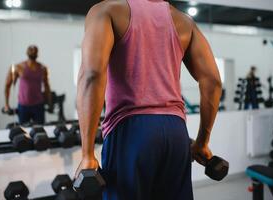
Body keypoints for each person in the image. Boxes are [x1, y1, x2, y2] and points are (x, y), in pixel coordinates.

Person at [75, 0, 222, 199]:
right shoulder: (184, 21)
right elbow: (212, 81)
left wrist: (87, 154)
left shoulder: (106, 11)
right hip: (176, 133)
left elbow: (92, 75)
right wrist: (202, 143)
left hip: (129, 131)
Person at [4, 45, 52, 125]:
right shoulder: (18, 67)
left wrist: (50, 103)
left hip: (38, 105)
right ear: (27, 52)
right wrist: (6, 105)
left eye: (34, 50)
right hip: (23, 106)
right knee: (23, 133)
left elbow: (47, 87)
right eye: (31, 49)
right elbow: (7, 86)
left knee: (40, 132)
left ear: (38, 53)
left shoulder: (43, 68)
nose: (33, 51)